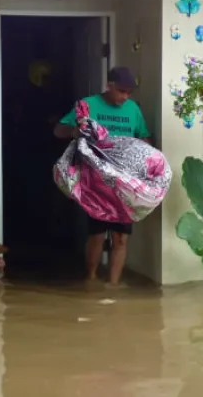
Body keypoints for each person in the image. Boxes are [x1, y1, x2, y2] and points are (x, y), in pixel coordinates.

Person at [53, 66, 151, 286]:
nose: (125, 97)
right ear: (110, 85)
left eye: (129, 93)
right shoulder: (87, 105)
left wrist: (144, 156)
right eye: (122, 91)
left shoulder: (133, 109)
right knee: (97, 234)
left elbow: (145, 139)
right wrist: (74, 131)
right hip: (95, 180)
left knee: (120, 237)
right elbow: (58, 130)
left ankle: (113, 287)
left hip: (125, 183)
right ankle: (91, 281)